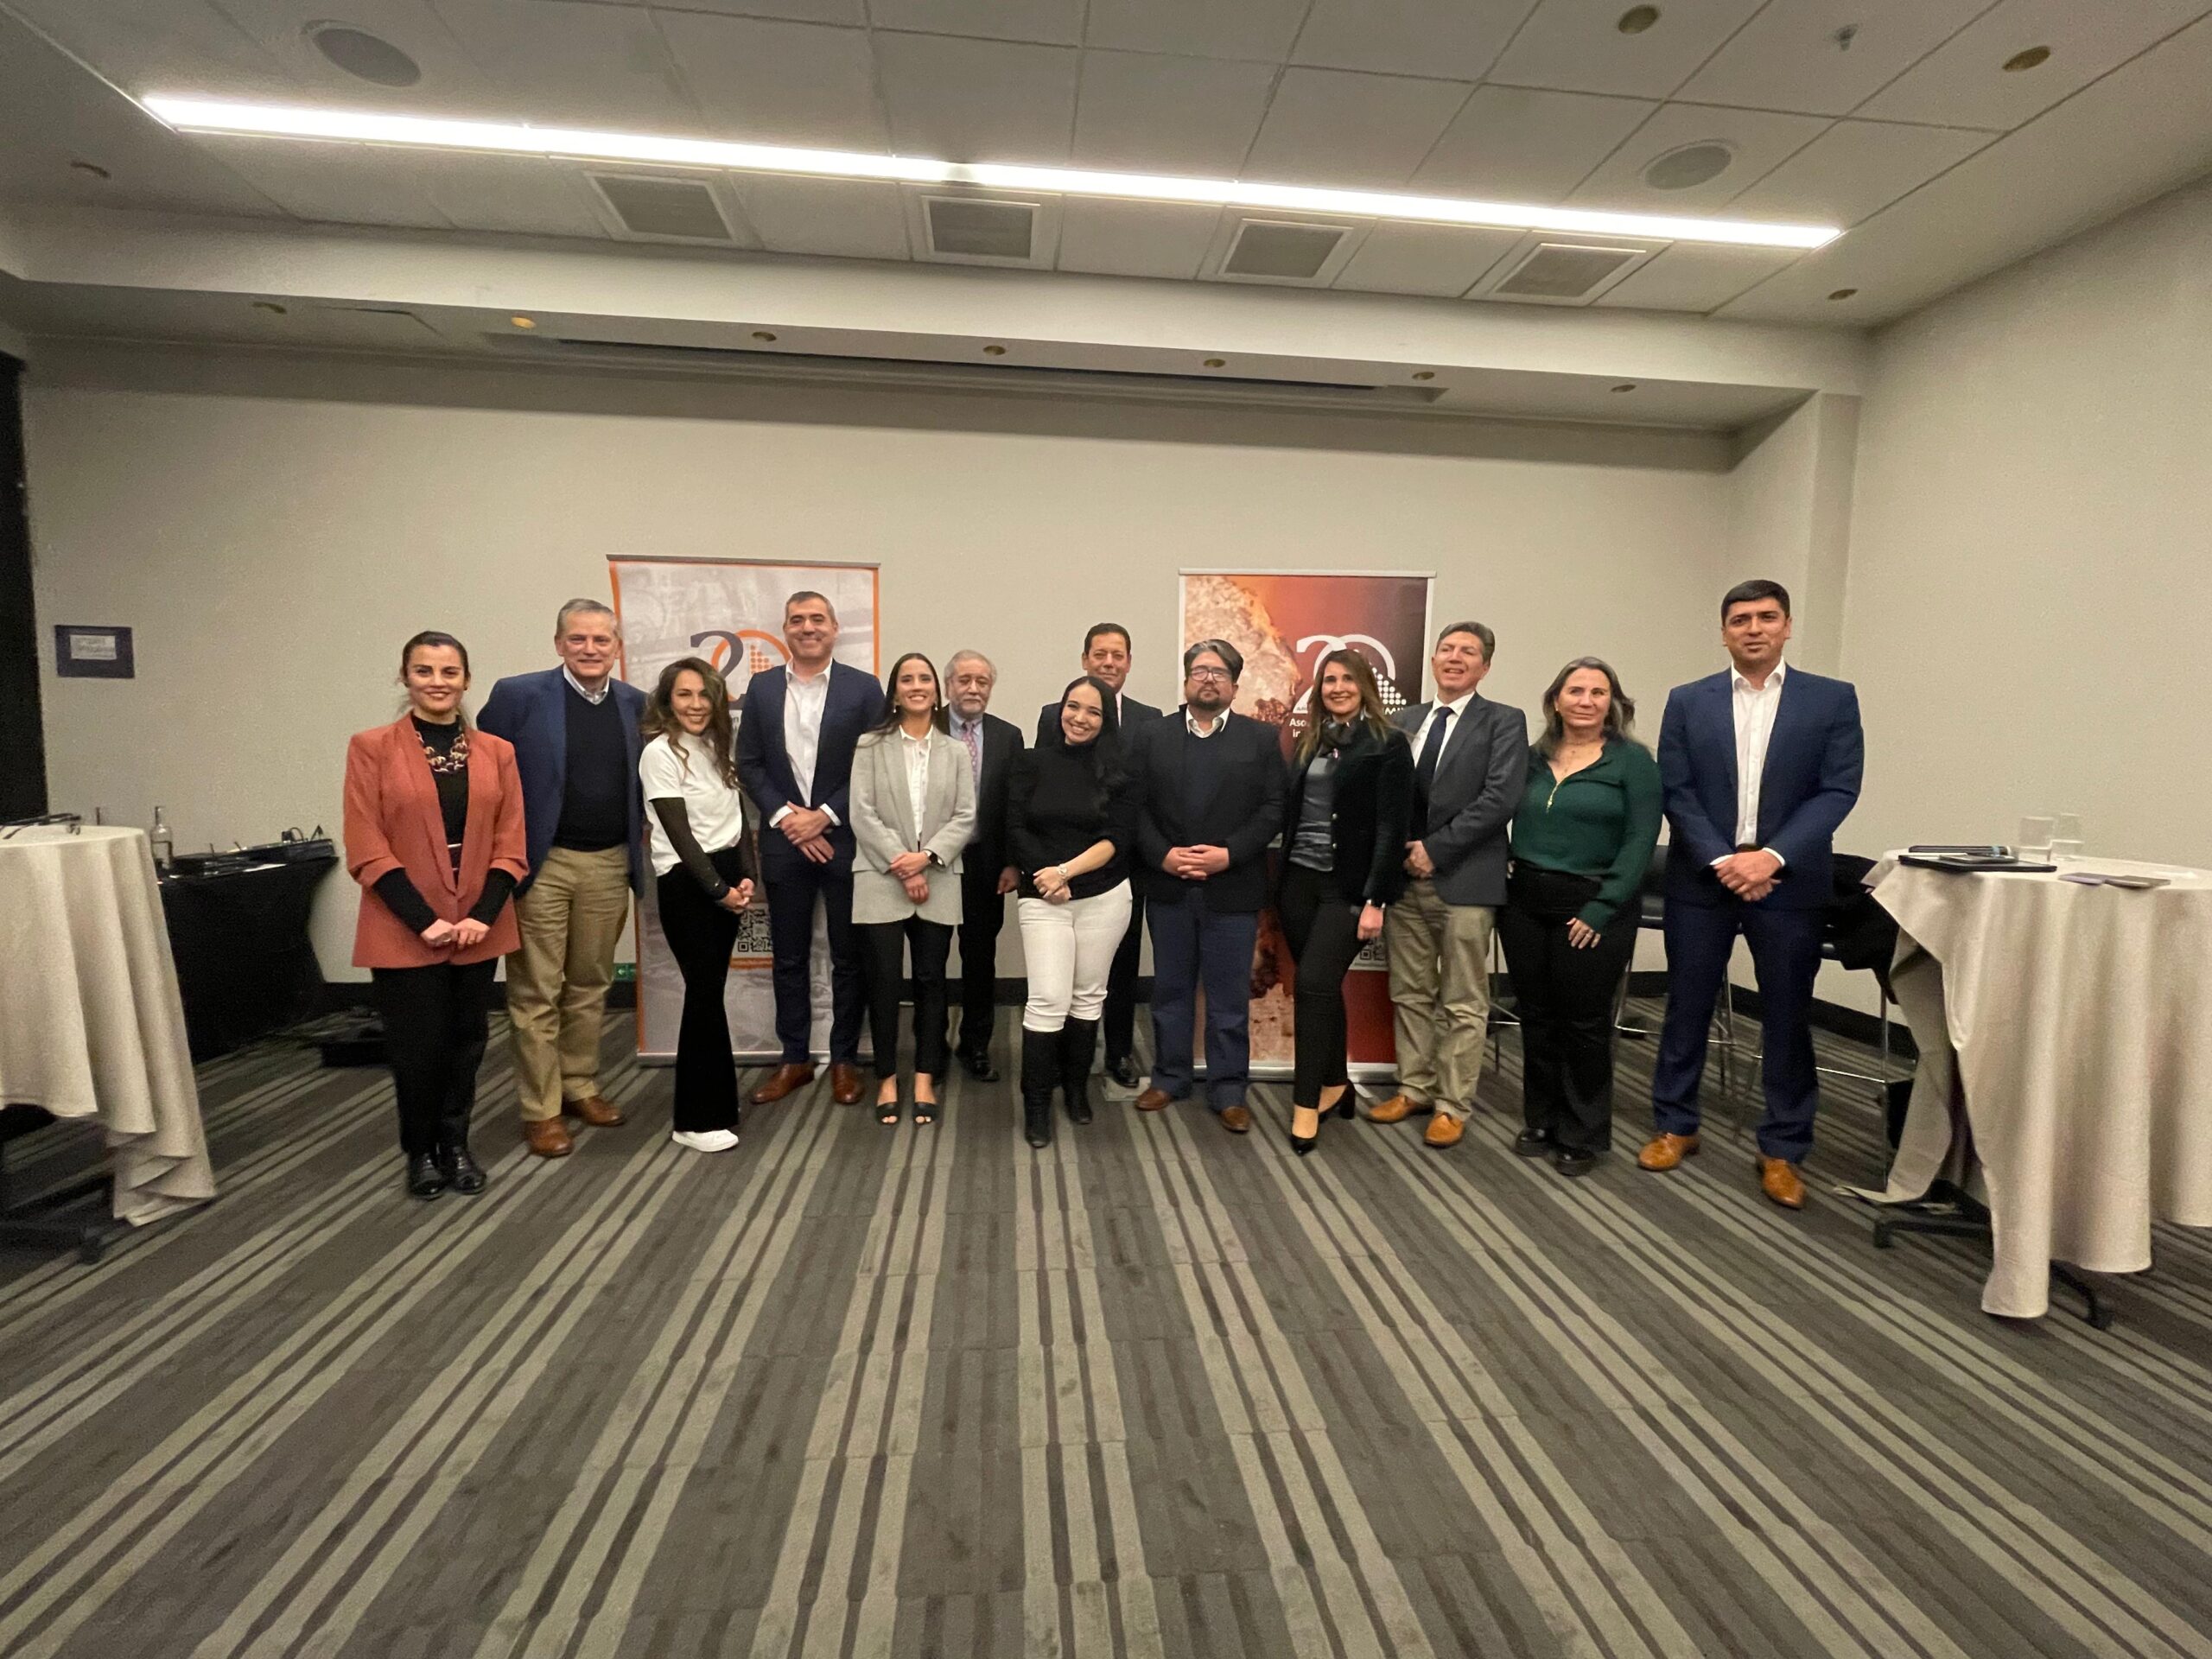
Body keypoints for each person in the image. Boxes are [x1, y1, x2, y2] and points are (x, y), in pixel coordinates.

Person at [1641, 580, 1864, 1209]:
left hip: (1788, 881)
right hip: (1702, 878)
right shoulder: (1689, 700)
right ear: (1724, 633)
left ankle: (1784, 1147)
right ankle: (1675, 1124)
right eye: (1740, 619)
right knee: (1686, 1006)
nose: (1754, 628)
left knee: (1788, 1015)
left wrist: (1771, 856)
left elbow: (1838, 789)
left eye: (1767, 617)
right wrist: (1723, 859)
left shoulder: (1832, 699)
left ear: (1787, 626)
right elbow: (1676, 788)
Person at [344, 632, 528, 1198]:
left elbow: (512, 843)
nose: (437, 682)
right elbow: (366, 846)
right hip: (403, 924)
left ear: (466, 680)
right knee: (417, 1048)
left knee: (466, 1043)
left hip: (476, 924)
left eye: (449, 672)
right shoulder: (371, 748)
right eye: (424, 671)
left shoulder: (497, 752)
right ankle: (420, 1152)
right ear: (405, 677)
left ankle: (456, 1144)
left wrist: (482, 915)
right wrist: (424, 920)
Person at [479, 600, 648, 1159]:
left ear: (617, 647)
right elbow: (486, 775)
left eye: (602, 640)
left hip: (609, 861)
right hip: (543, 864)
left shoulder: (636, 704)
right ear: (559, 644)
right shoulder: (518, 696)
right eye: (578, 639)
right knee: (536, 992)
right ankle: (542, 1109)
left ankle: (579, 1085)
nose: (590, 649)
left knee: (591, 984)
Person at [1499, 658, 1662, 1177]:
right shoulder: (1531, 757)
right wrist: (1502, 856)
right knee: (1536, 1014)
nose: (1586, 701)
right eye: (1575, 691)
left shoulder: (1633, 763)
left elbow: (1641, 840)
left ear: (1613, 703)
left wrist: (1602, 907)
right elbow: (1495, 807)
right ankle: (1542, 1119)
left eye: (1598, 692)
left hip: (1594, 905)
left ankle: (1581, 1131)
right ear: (1556, 700)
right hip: (1525, 901)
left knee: (1584, 1022)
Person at [1374, 621, 1529, 1151]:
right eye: (1447, 649)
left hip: (1466, 880)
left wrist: (1434, 850)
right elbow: (1386, 795)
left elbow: (1499, 799)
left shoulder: (1504, 721)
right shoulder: (1403, 721)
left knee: (1464, 1001)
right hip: (1404, 881)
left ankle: (1451, 1105)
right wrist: (1399, 852)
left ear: (1485, 666)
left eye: (1468, 651)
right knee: (1410, 992)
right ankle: (1414, 1088)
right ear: (1433, 660)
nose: (1455, 657)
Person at [735, 591, 887, 1109]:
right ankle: (794, 1058)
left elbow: (874, 764)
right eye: (797, 620)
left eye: (817, 619)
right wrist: (787, 818)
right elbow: (749, 762)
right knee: (788, 957)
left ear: (834, 628)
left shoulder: (863, 688)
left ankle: (844, 1059)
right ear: (785, 630)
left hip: (845, 839)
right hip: (783, 841)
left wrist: (823, 816)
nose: (807, 627)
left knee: (849, 956)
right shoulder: (761, 688)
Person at [1128, 640, 1287, 1133]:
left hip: (1233, 887)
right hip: (1169, 885)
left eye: (1219, 673)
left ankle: (1229, 1089)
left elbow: (1274, 809)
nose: (1209, 679)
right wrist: (1163, 855)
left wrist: (1229, 854)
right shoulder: (1151, 736)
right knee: (1170, 991)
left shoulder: (1261, 739)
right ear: (1186, 681)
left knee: (1228, 998)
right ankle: (1169, 1077)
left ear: (1235, 686)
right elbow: (1134, 806)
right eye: (1200, 671)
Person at [1274, 650, 1414, 1156]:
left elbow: (1392, 828)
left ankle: (1306, 1103)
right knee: (1321, 989)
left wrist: (1376, 899)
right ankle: (1338, 1084)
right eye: (1329, 680)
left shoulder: (1388, 743)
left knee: (1313, 984)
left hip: (1348, 889)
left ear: (1365, 686)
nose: (1337, 688)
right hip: (1298, 883)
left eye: (1347, 679)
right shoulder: (1311, 740)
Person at [1009, 676, 1138, 1149]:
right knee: (1048, 999)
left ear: (1106, 720)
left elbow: (1117, 839)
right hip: (1043, 898)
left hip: (1103, 896)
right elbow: (1014, 827)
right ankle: (1037, 1105)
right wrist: (1048, 878)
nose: (1080, 718)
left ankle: (1077, 1090)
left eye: (1093, 711)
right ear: (1059, 710)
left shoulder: (1121, 771)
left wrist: (1065, 872)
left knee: (1087, 997)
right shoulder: (1030, 762)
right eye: (1072, 706)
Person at [850, 652, 976, 1126]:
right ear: (895, 692)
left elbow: (965, 816)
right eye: (907, 679)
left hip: (938, 875)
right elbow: (862, 813)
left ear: (937, 692)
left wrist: (926, 859)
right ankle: (887, 1077)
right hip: (880, 875)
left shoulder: (955, 751)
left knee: (931, 981)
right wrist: (904, 865)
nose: (917, 686)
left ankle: (924, 1076)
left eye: (925, 678)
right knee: (883, 982)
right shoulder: (869, 745)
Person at [1037, 624, 1162, 1090]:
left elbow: (1150, 796)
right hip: (1068, 867)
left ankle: (1119, 1052)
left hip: (1126, 864)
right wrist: (1061, 865)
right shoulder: (1054, 714)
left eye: (1118, 655)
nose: (1109, 663)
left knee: (1123, 964)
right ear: (1085, 659)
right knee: (1065, 968)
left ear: (1129, 662)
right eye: (1099, 654)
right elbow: (1046, 790)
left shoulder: (1150, 719)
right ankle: (1063, 1057)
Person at [639, 657, 757, 1154]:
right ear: (668, 701)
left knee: (709, 994)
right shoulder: (659, 753)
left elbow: (737, 819)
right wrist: (719, 890)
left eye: (704, 694)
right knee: (704, 995)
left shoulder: (715, 746)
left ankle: (718, 1105)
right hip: (689, 883)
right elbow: (679, 835)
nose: (695, 704)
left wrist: (747, 877)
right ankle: (692, 1119)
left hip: (724, 876)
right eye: (684, 694)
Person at [943, 651, 1025, 1081]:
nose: (973, 689)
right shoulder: (924, 726)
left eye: (982, 682)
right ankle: (931, 1047)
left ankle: (975, 1045)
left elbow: (1015, 806)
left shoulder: (1008, 736)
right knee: (931, 960)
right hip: (933, 861)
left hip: (986, 863)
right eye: (964, 680)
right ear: (948, 685)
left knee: (979, 958)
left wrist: (1012, 862)